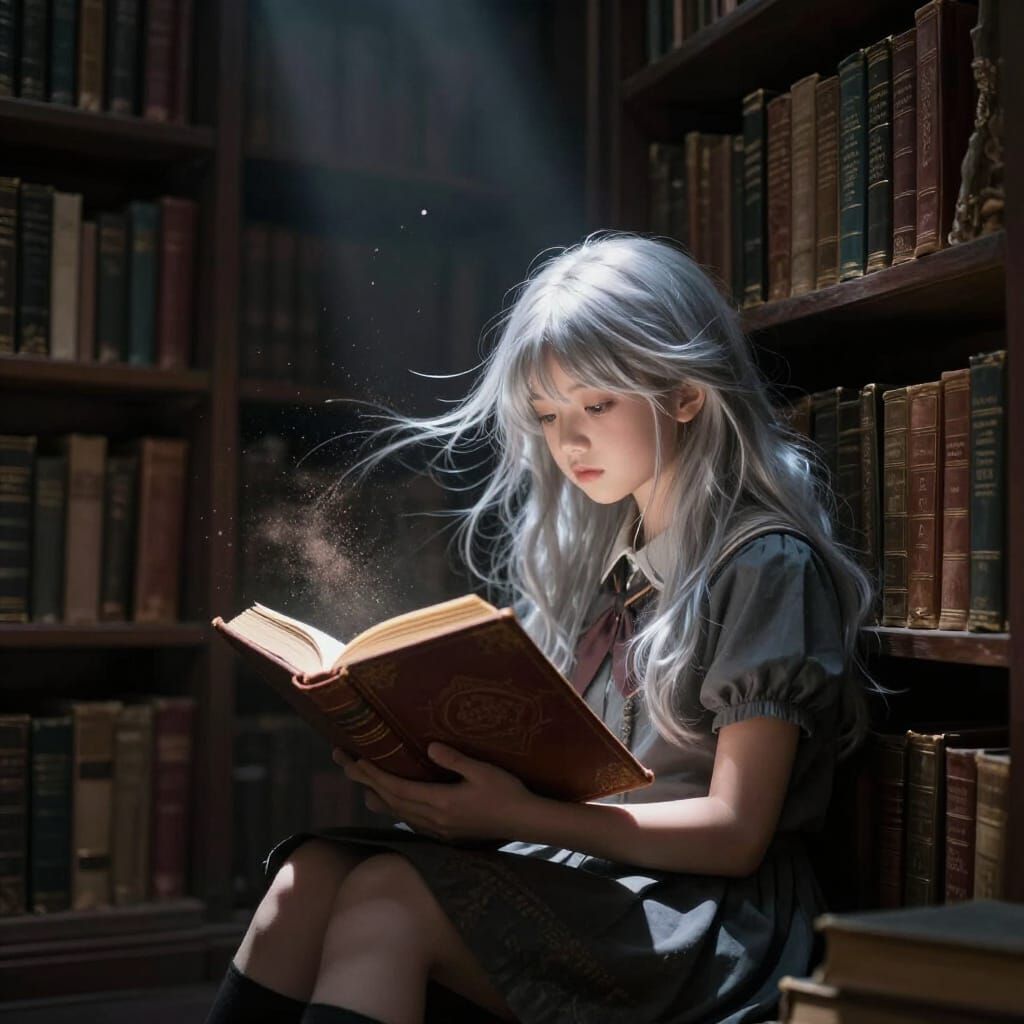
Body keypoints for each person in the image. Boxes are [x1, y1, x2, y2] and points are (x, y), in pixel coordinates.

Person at [205, 233, 881, 1024]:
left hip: (702, 914)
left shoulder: (764, 564)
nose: (569, 441)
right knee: (310, 873)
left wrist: (513, 816)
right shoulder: (604, 564)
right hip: (588, 870)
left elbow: (735, 834)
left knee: (388, 898)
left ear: (686, 395)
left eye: (597, 405)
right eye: (548, 413)